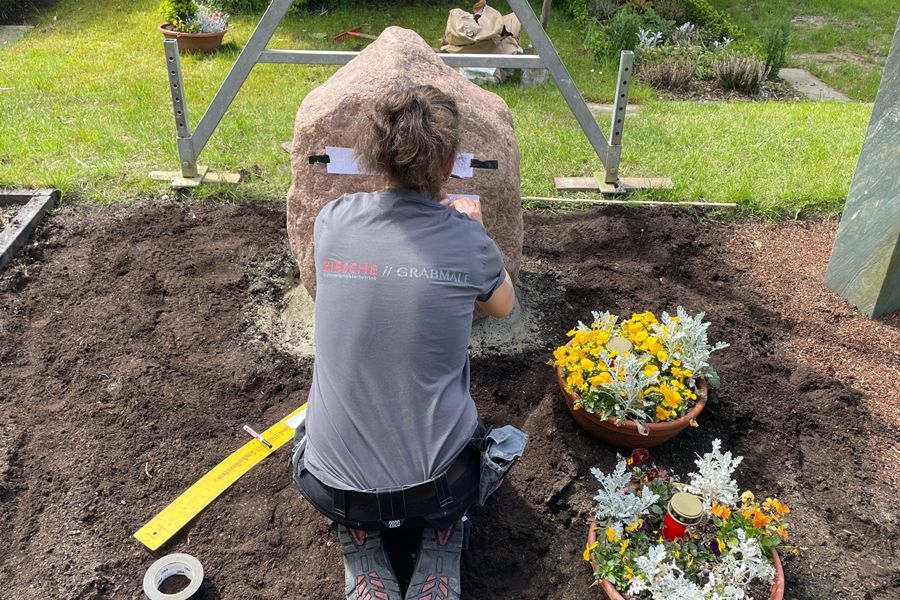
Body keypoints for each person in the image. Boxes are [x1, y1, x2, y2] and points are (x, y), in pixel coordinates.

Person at [290, 84, 518, 600]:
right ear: (450, 162)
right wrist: (473, 236)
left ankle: (361, 538)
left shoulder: (332, 220)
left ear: (371, 154)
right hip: (441, 486)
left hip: (330, 489)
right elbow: (504, 307)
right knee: (492, 441)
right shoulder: (467, 240)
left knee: (319, 424)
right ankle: (444, 533)